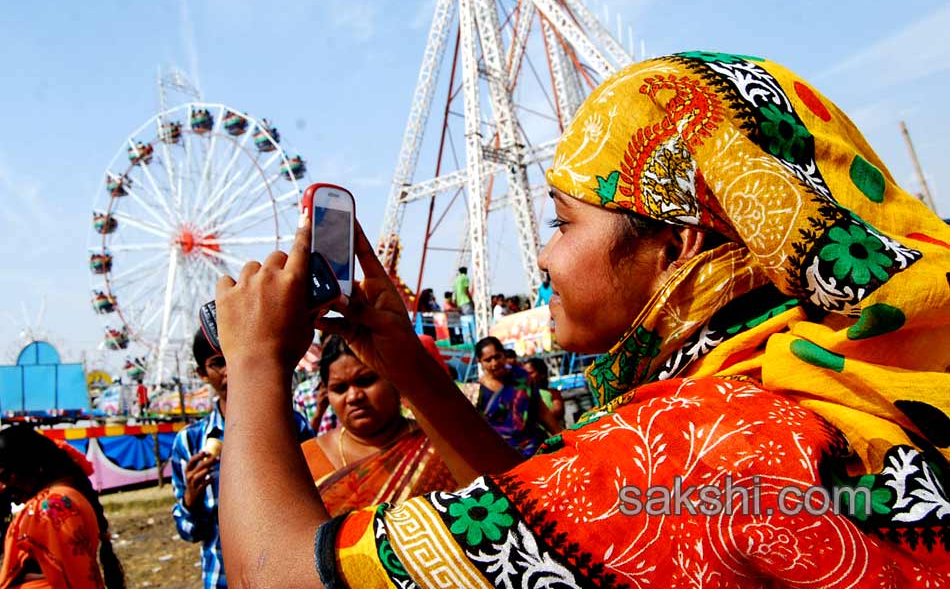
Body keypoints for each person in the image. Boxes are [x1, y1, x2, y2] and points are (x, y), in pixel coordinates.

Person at [216, 53, 950, 586]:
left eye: (563, 223)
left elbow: (273, 575)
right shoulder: (844, 383)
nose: (541, 255)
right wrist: (407, 361)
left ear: (676, 242)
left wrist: (253, 364)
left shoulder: (690, 447)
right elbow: (554, 520)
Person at [170, 330, 314, 589]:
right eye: (217, 363)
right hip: (222, 580)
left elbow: (320, 499)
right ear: (202, 374)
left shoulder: (291, 426)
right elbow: (189, 532)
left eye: (233, 357)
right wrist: (191, 501)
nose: (230, 370)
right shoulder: (190, 442)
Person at [299, 335, 455, 516]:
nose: (353, 397)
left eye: (366, 381)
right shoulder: (308, 459)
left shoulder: (443, 446)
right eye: (340, 389)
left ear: (395, 379)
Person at [0, 425, 125, 589]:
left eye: (5, 476)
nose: (3, 487)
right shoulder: (67, 498)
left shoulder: (50, 507)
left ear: (32, 465)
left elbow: (65, 577)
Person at [474, 337, 558, 457]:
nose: (494, 363)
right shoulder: (477, 391)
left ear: (503, 354)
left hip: (535, 448)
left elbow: (541, 411)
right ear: (480, 362)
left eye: (497, 357)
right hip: (503, 455)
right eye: (488, 360)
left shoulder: (522, 378)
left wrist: (561, 438)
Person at [523, 357, 564, 425]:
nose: (526, 376)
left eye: (530, 373)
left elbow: (558, 411)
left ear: (542, 374)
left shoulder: (553, 393)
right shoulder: (521, 394)